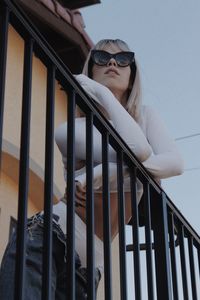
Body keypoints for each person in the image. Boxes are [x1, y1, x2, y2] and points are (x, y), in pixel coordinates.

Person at [0, 38, 184, 299]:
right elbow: (139, 151)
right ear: (90, 75)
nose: (112, 62)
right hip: (47, 237)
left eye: (123, 59)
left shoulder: (146, 116)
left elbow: (175, 164)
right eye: (101, 57)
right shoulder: (71, 131)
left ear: (132, 76)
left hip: (89, 265)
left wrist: (100, 173)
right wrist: (105, 96)